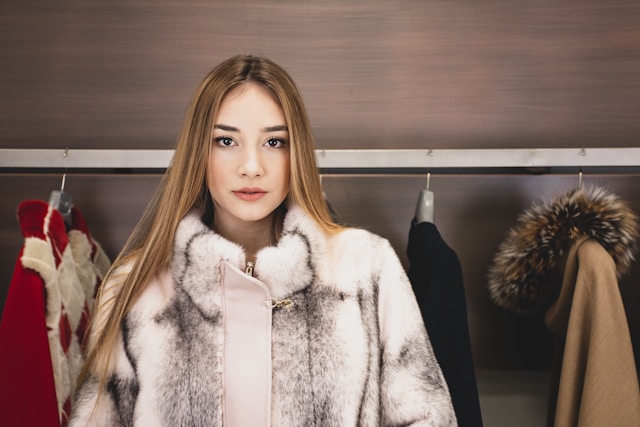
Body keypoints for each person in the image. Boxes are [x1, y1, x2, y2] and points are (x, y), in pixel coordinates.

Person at [69, 54, 457, 426]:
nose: (251, 167)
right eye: (226, 141)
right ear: (197, 152)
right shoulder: (136, 287)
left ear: (297, 151)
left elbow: (428, 416)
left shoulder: (366, 268)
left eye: (274, 142)